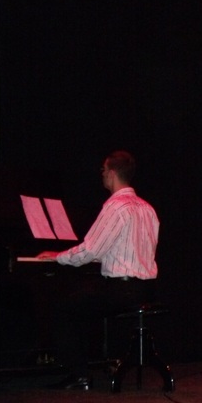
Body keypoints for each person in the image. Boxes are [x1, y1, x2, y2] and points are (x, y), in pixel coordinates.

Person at [37, 150, 160, 390]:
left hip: (123, 289)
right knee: (83, 302)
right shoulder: (148, 208)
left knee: (63, 308)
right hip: (147, 288)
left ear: (112, 173)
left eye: (103, 170)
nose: (101, 174)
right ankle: (97, 362)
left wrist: (57, 257)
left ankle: (79, 374)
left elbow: (91, 250)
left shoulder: (115, 206)